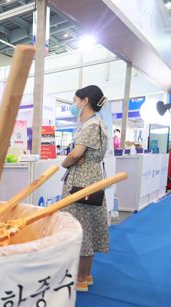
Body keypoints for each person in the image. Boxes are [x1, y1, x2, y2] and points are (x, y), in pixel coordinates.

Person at [61, 85, 109, 292]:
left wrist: (65, 162)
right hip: (91, 178)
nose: (74, 105)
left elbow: (76, 154)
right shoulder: (99, 123)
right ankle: (86, 275)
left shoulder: (90, 125)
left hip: (82, 182)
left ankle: (80, 278)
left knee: (81, 228)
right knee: (88, 226)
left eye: (75, 100)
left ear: (85, 101)